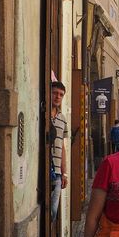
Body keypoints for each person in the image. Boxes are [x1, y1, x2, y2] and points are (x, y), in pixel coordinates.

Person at [50, 81, 68, 223]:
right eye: (55, 93)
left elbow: (62, 147)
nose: (57, 97)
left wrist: (64, 173)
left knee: (53, 211)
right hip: (43, 168)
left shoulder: (62, 119)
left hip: (56, 172)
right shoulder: (43, 114)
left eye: (61, 95)